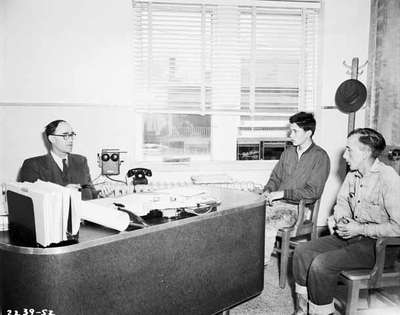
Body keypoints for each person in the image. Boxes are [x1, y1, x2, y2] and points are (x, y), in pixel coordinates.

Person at [292, 128, 400, 315]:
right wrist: (340, 220)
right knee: (302, 251)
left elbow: (398, 227)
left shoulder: (388, 178)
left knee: (321, 264)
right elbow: (342, 203)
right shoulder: (353, 174)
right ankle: (302, 310)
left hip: (379, 248)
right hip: (352, 237)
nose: (344, 155)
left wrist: (360, 228)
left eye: (349, 149)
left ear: (366, 152)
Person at [262, 112, 330, 264]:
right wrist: (268, 190)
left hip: (297, 209)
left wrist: (283, 193)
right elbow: (275, 178)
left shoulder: (320, 157)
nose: (291, 135)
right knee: (249, 218)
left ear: (308, 133)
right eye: (290, 131)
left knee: (266, 223)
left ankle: (259, 266)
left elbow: (313, 192)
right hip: (276, 203)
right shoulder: (288, 153)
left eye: (295, 131)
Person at [19, 120, 106, 200]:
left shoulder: (81, 161)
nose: (71, 139)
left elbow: (90, 194)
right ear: (52, 139)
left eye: (71, 135)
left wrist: (102, 194)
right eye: (65, 135)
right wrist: (62, 192)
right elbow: (30, 200)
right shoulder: (33, 165)